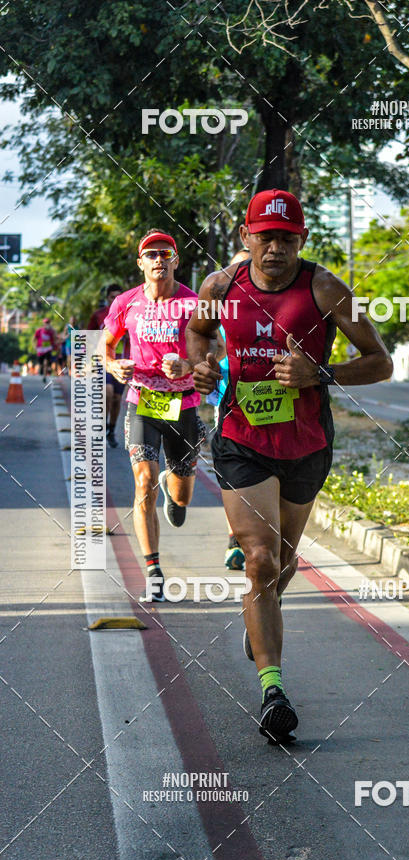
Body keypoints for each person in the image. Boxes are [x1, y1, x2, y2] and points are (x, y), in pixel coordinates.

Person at [187, 189, 392, 743]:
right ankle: (272, 689)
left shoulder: (324, 289)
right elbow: (199, 332)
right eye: (265, 236)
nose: (274, 247)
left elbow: (380, 363)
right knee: (257, 559)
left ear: (301, 239)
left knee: (280, 563)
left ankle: (260, 618)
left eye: (286, 237)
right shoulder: (221, 287)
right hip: (240, 438)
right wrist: (200, 366)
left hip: (305, 444)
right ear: (246, 237)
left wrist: (319, 374)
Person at [101, 231, 205, 603]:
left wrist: (189, 364)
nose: (158, 259)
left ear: (176, 260)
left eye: (165, 253)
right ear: (141, 263)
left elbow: (219, 347)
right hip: (142, 400)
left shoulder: (193, 303)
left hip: (185, 404)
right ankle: (154, 569)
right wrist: (114, 366)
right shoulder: (126, 303)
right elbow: (105, 346)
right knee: (142, 481)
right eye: (151, 254)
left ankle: (174, 488)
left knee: (182, 495)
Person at [206, 248, 250, 572]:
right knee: (232, 476)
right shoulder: (217, 307)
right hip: (227, 400)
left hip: (273, 408)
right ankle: (235, 537)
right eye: (237, 268)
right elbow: (201, 341)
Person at [87, 284, 126, 447]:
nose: (115, 300)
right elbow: (89, 337)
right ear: (107, 298)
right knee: (107, 393)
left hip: (122, 361)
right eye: (112, 297)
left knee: (117, 398)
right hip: (102, 360)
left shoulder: (128, 314)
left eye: (118, 296)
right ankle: (101, 428)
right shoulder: (99, 315)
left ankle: (111, 429)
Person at [34, 318, 58, 382]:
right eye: (46, 323)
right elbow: (34, 339)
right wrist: (34, 346)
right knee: (41, 364)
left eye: (48, 323)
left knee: (46, 363)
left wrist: (54, 332)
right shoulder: (39, 331)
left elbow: (56, 338)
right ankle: (41, 369)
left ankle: (44, 376)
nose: (47, 324)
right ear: (43, 323)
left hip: (48, 349)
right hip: (40, 349)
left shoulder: (52, 331)